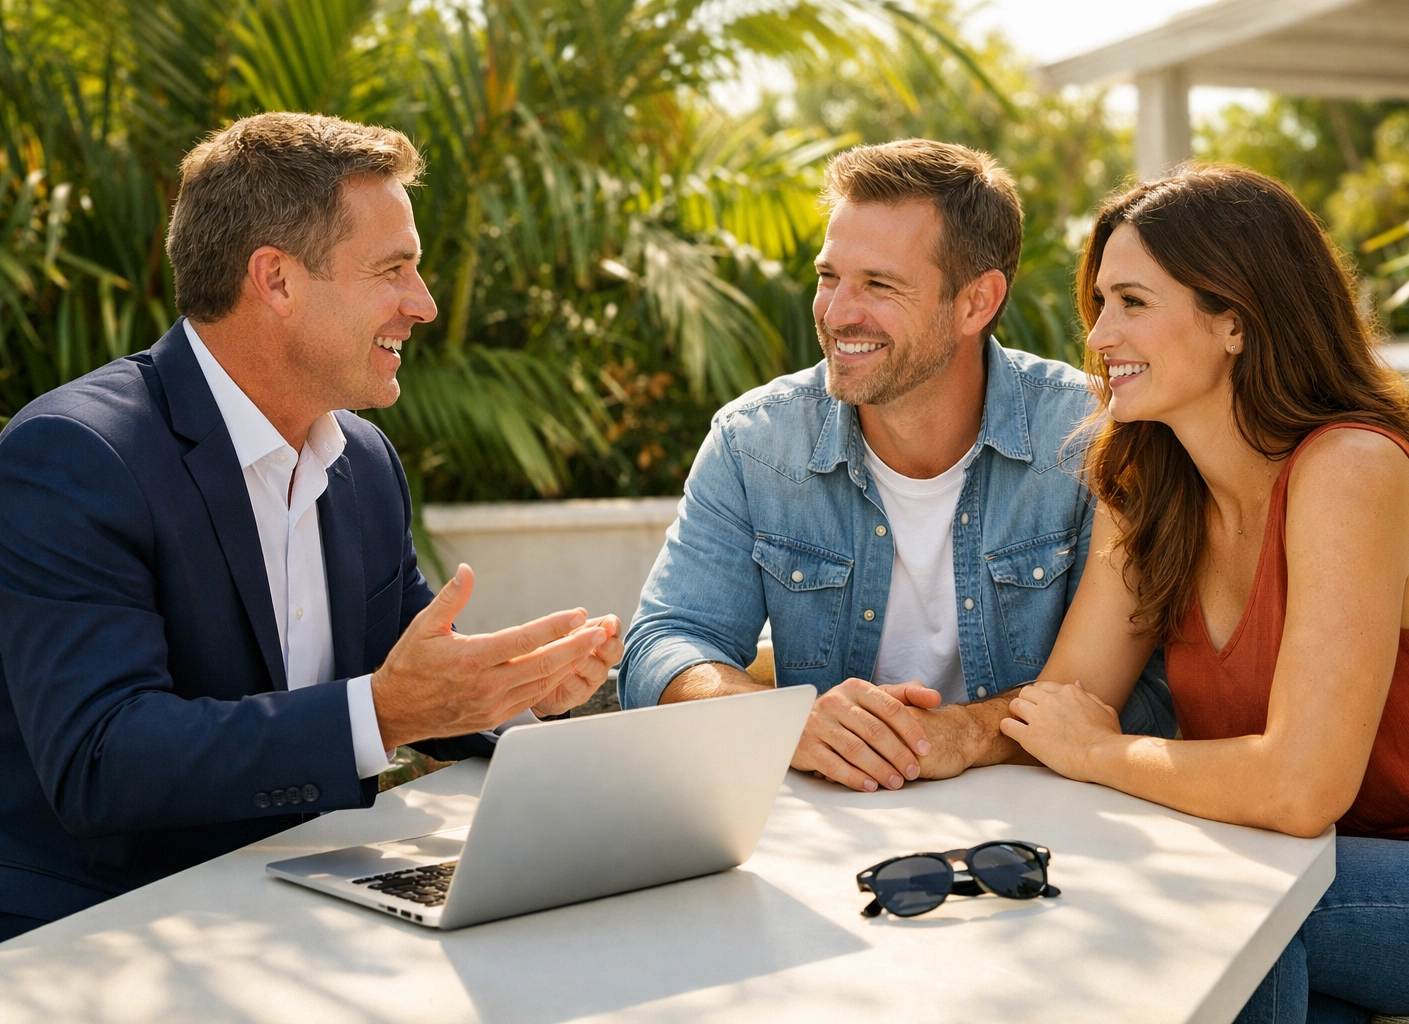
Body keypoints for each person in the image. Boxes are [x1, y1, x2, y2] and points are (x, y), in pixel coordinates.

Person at [0, 113, 624, 942]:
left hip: (313, 898)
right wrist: (382, 715)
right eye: (393, 269)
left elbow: (407, 668)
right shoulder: (76, 455)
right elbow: (102, 759)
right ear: (277, 280)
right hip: (103, 934)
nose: (424, 304)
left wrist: (510, 693)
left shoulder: (362, 461)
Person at [1000, 165, 1409, 1021]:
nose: (1099, 336)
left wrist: (1101, 755)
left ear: (1235, 322)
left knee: (1209, 897)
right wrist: (926, 736)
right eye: (1100, 303)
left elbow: (1297, 788)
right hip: (1321, 859)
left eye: (1133, 302)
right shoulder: (1145, 485)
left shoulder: (1350, 471)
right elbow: (1061, 708)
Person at [618, 139, 1174, 793]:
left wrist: (966, 734)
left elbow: (1139, 691)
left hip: (1056, 829)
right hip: (838, 826)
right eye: (829, 278)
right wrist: (781, 720)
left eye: (879, 285)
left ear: (976, 302)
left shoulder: (1095, 436)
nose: (836, 312)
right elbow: (667, 643)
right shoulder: (754, 443)